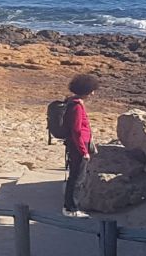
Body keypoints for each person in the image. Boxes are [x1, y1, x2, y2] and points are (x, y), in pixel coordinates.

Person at [62, 74, 98, 218]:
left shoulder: (74, 103)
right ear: (86, 90)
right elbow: (76, 130)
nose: (93, 93)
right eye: (92, 90)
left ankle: (70, 206)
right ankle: (72, 208)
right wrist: (84, 151)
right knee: (77, 178)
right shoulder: (76, 106)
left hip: (78, 145)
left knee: (75, 177)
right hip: (79, 146)